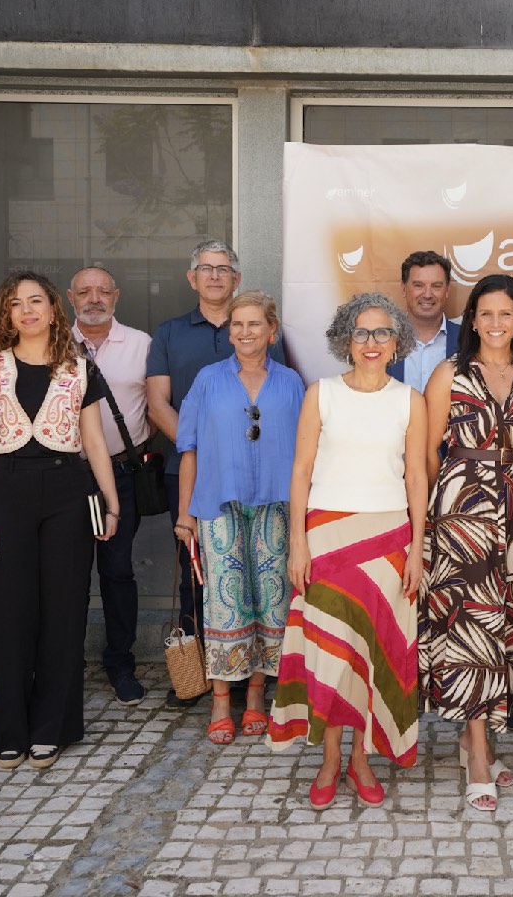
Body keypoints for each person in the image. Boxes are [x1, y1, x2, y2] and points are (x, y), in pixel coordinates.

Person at [269, 293, 428, 810]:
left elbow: (417, 475)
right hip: (327, 537)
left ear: (397, 340)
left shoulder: (411, 400)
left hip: (389, 539)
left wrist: (418, 547)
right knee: (330, 652)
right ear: (346, 339)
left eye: (383, 333)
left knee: (375, 653)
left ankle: (363, 757)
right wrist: (298, 542)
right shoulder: (323, 394)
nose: (372, 343)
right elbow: (301, 471)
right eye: (362, 332)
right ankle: (330, 757)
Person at [0, 272, 120, 770]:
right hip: (5, 490)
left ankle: (53, 724)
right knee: (9, 610)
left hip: (69, 490)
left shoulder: (78, 367)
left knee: (64, 608)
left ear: (53, 309)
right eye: (15, 304)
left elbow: (94, 441)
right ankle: (11, 726)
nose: (26, 310)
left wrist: (111, 503)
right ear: (6, 315)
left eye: (35, 301)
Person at [421, 274, 513, 811]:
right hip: (461, 514)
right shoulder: (449, 374)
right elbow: (428, 453)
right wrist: (427, 523)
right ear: (471, 319)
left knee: (509, 626)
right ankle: (477, 752)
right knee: (472, 628)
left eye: (506, 314)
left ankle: (481, 740)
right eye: (486, 314)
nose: (496, 324)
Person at [175, 291, 304, 744]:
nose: (245, 332)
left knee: (272, 601)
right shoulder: (207, 380)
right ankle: (220, 702)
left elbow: (306, 456)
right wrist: (185, 514)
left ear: (272, 331)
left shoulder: (292, 383)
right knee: (226, 604)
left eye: (254, 324)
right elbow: (188, 449)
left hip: (278, 506)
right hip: (217, 505)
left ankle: (255, 700)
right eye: (237, 325)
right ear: (229, 332)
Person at [147, 240, 246, 709]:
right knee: (194, 570)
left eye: (223, 269)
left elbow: (271, 396)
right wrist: (197, 447)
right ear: (191, 278)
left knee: (242, 564)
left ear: (236, 280)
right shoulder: (168, 334)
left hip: (246, 472)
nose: (214, 276)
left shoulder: (255, 330)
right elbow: (157, 403)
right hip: (184, 469)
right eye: (205, 269)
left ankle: (243, 670)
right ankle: (198, 672)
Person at [68, 266, 152, 706]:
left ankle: (120, 662)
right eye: (85, 291)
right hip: (66, 477)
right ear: (70, 297)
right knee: (68, 574)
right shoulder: (52, 346)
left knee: (117, 571)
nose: (94, 298)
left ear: (116, 296)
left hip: (121, 474)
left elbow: (157, 407)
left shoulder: (140, 345)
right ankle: (67, 665)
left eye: (103, 291)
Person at [390, 250, 461, 391]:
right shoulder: (383, 340)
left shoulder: (467, 340)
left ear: (447, 290)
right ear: (404, 289)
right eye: (418, 285)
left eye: (436, 286)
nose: (427, 294)